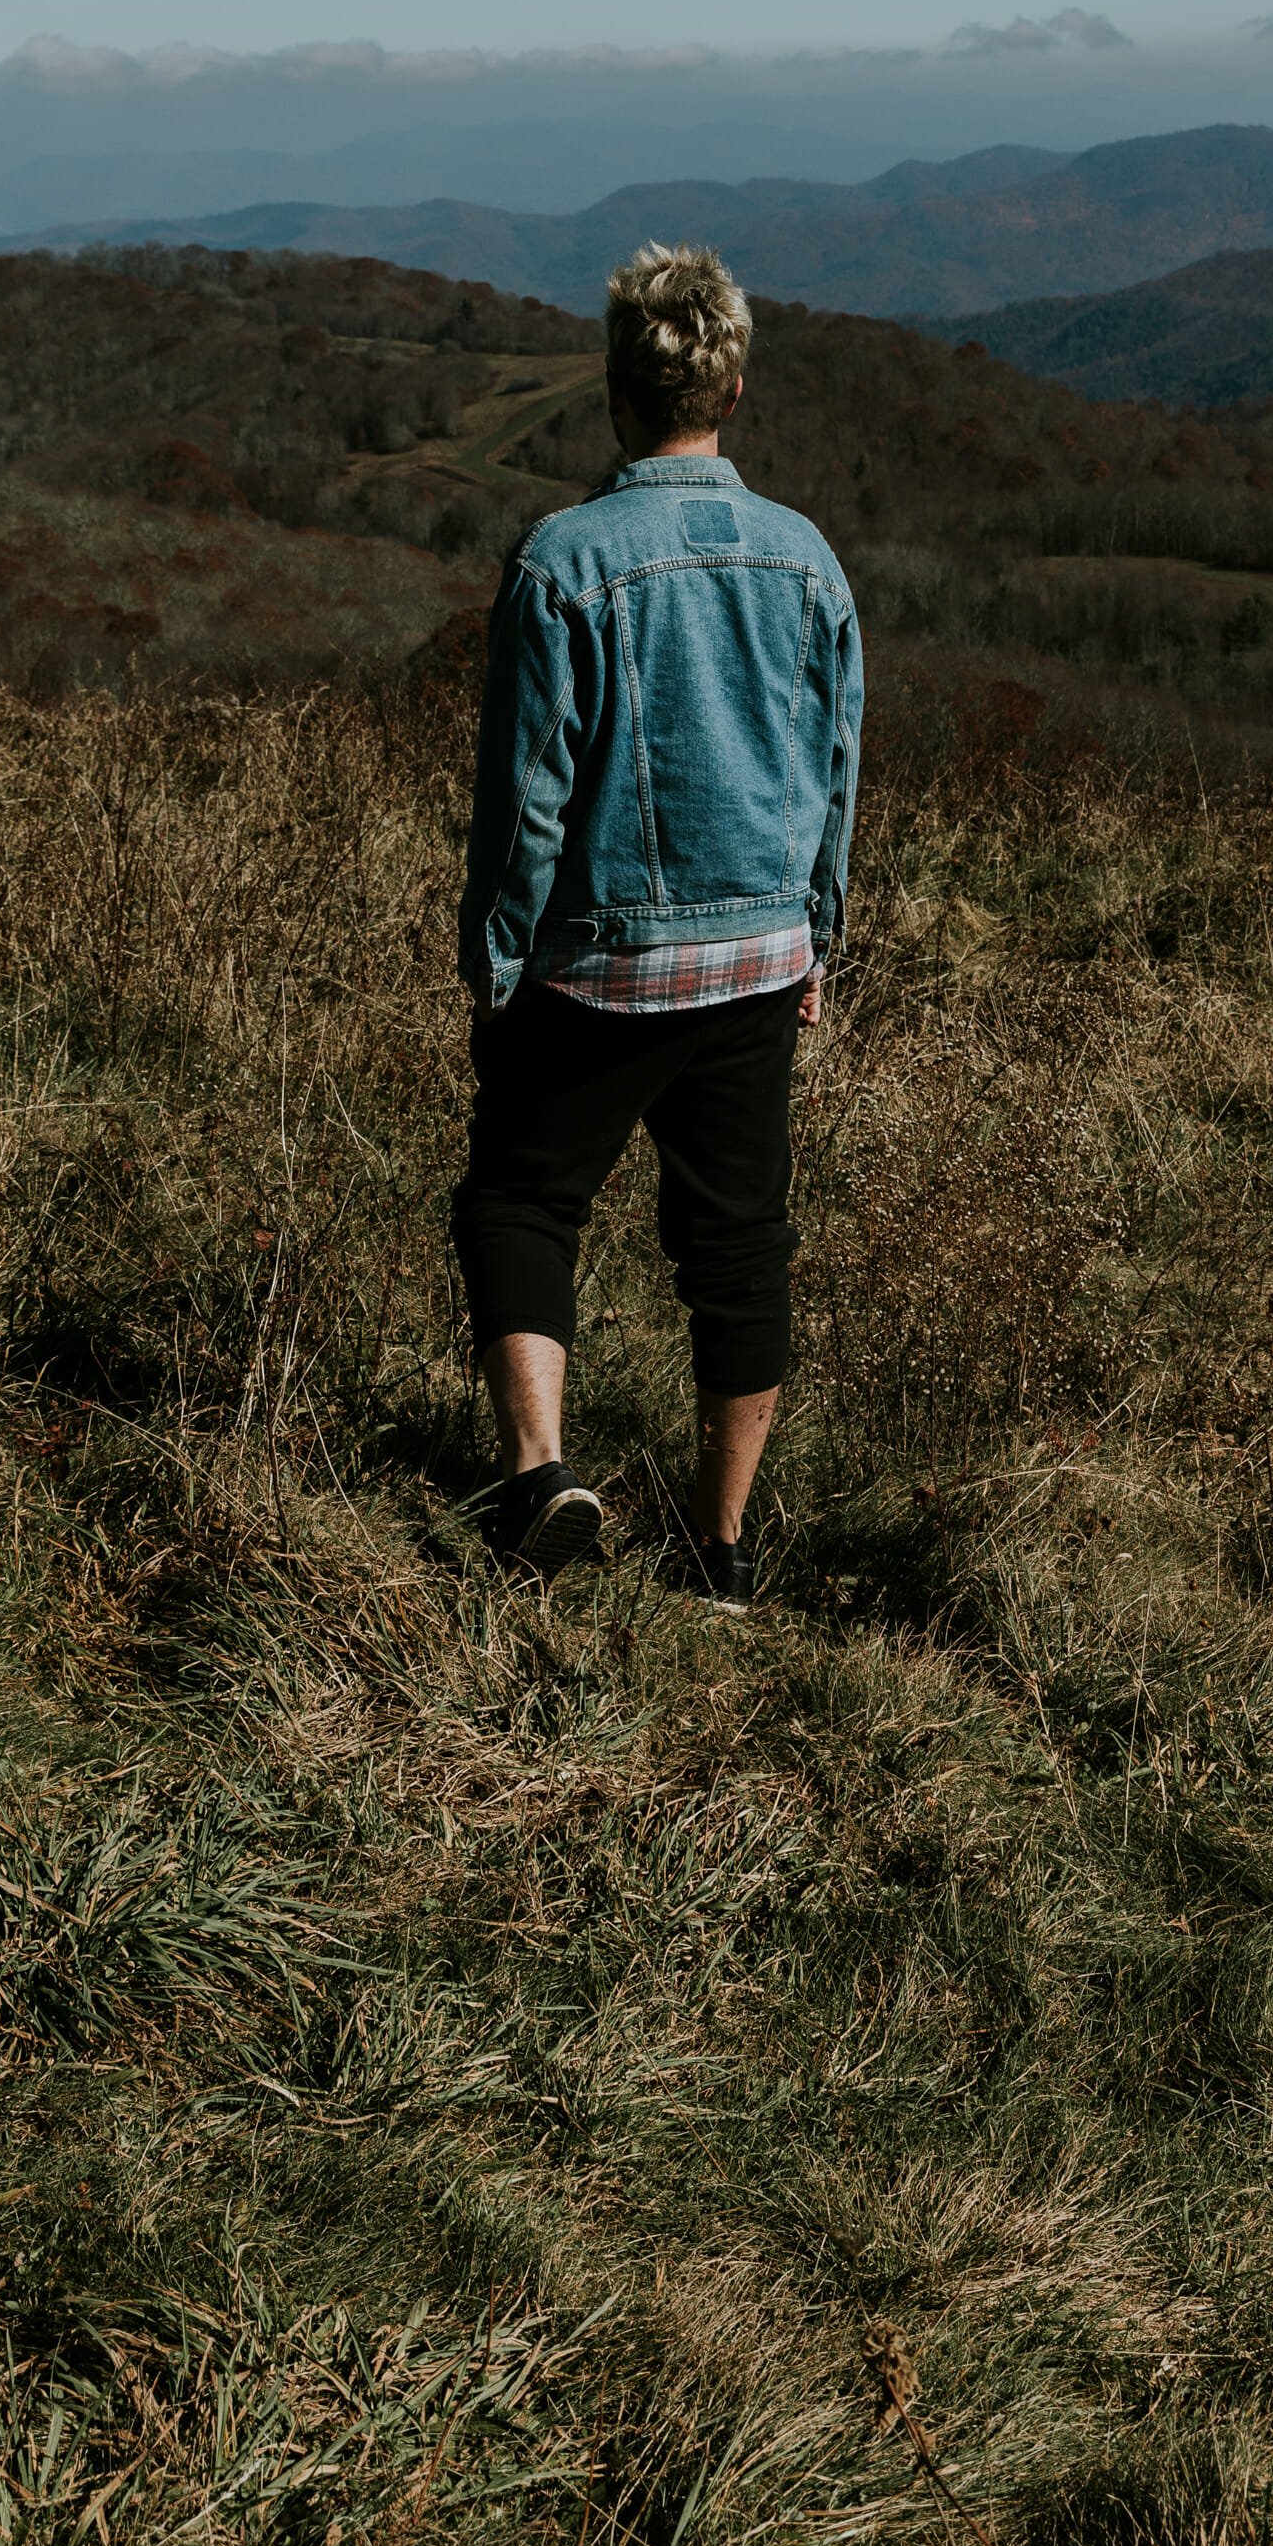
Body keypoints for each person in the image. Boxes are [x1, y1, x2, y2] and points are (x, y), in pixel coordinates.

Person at [451, 240, 863, 1604]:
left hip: (601, 967)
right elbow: (834, 772)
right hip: (757, 963)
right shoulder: (807, 562)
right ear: (733, 390)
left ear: (614, 392)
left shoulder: (561, 562)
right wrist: (818, 936)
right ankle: (723, 1550)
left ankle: (539, 1479)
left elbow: (530, 798)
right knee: (738, 1250)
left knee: (521, 1195)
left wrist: (497, 960)